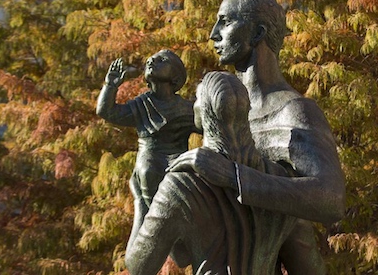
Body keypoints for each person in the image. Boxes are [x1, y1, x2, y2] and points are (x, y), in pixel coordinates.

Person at [168, 0, 346, 274]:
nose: (214, 34)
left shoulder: (294, 111)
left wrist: (231, 176)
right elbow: (184, 254)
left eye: (225, 22)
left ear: (257, 33)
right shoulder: (223, 114)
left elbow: (331, 198)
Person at [126, 71, 297, 275]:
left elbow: (139, 267)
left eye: (196, 99)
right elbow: (182, 256)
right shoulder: (279, 179)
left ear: (202, 110)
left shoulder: (180, 184)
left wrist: (142, 200)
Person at [96, 49, 198, 250]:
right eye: (151, 59)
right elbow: (106, 111)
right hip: (151, 156)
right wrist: (110, 85)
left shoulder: (187, 108)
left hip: (178, 155)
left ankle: (186, 233)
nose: (152, 61)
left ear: (175, 77)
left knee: (193, 177)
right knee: (148, 172)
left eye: (161, 60)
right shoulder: (143, 104)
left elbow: (210, 129)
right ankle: (156, 230)